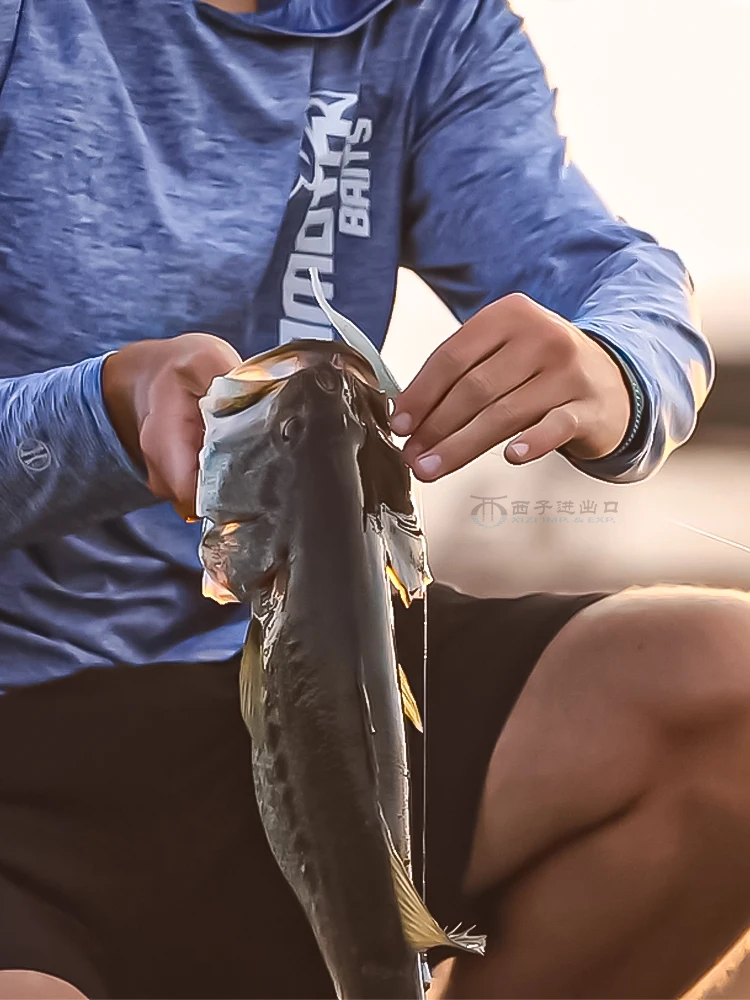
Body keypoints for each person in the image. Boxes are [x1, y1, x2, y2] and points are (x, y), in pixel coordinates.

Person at [0, 0, 744, 997]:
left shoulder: (432, 26)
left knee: (729, 693)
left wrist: (614, 364)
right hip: (24, 763)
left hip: (313, 705)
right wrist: (100, 411)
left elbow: (613, 274)